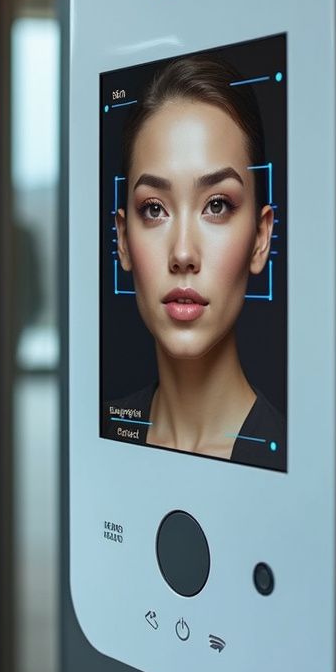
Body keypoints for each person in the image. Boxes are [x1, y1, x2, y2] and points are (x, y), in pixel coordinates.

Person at [104, 56, 285, 468]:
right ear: (123, 240)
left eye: (216, 205)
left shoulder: (297, 460)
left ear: (261, 239)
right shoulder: (104, 434)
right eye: (154, 209)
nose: (183, 253)